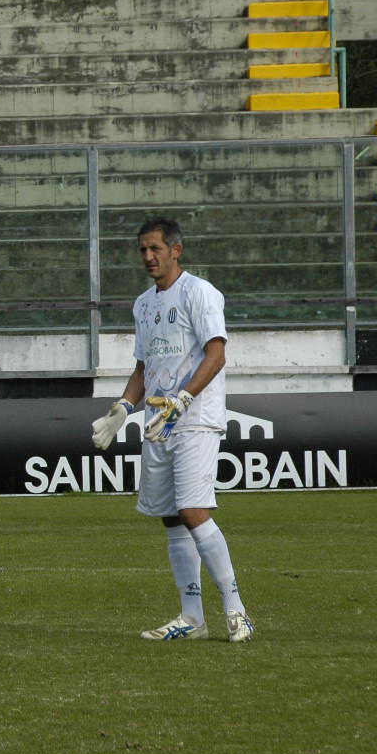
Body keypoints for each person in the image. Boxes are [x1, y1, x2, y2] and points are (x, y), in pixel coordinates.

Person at [90, 217, 254, 642]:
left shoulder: (200, 293)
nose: (148, 257)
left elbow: (216, 355)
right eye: (143, 250)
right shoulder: (144, 304)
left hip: (195, 419)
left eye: (155, 249)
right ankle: (191, 618)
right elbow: (144, 367)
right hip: (158, 423)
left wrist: (183, 398)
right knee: (170, 518)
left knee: (193, 510)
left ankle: (237, 611)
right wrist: (124, 408)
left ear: (176, 250)